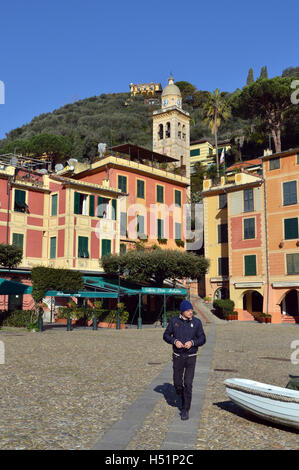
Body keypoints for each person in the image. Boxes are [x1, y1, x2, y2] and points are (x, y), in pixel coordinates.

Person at [163, 299, 206, 420]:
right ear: (182, 311)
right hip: (177, 357)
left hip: (191, 357)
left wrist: (192, 343)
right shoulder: (174, 321)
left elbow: (202, 339)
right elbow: (166, 335)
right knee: (177, 383)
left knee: (188, 383)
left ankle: (185, 409)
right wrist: (174, 341)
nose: (191, 312)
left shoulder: (197, 323)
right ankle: (182, 397)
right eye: (188, 310)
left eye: (191, 310)